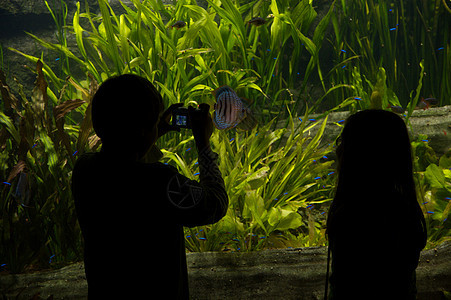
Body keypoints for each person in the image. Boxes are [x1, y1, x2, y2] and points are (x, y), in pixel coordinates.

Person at [71, 74, 228, 299]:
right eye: (155, 123)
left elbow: (125, 169)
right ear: (142, 131)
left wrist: (153, 130)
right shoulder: (160, 182)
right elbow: (215, 203)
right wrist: (203, 143)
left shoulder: (85, 170)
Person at [325, 109, 427, 300]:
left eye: (343, 142)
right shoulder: (404, 213)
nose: (337, 149)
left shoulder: (349, 216)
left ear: (357, 154)